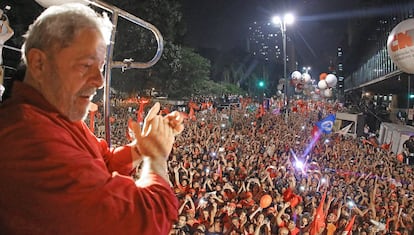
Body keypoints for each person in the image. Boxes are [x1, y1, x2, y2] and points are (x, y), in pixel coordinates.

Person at [0, 3, 183, 235]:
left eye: (102, 66)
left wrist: (140, 149)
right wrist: (156, 158)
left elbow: (101, 160)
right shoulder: (29, 141)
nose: (100, 80)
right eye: (86, 65)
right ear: (39, 64)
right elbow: (142, 219)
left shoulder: (57, 115)